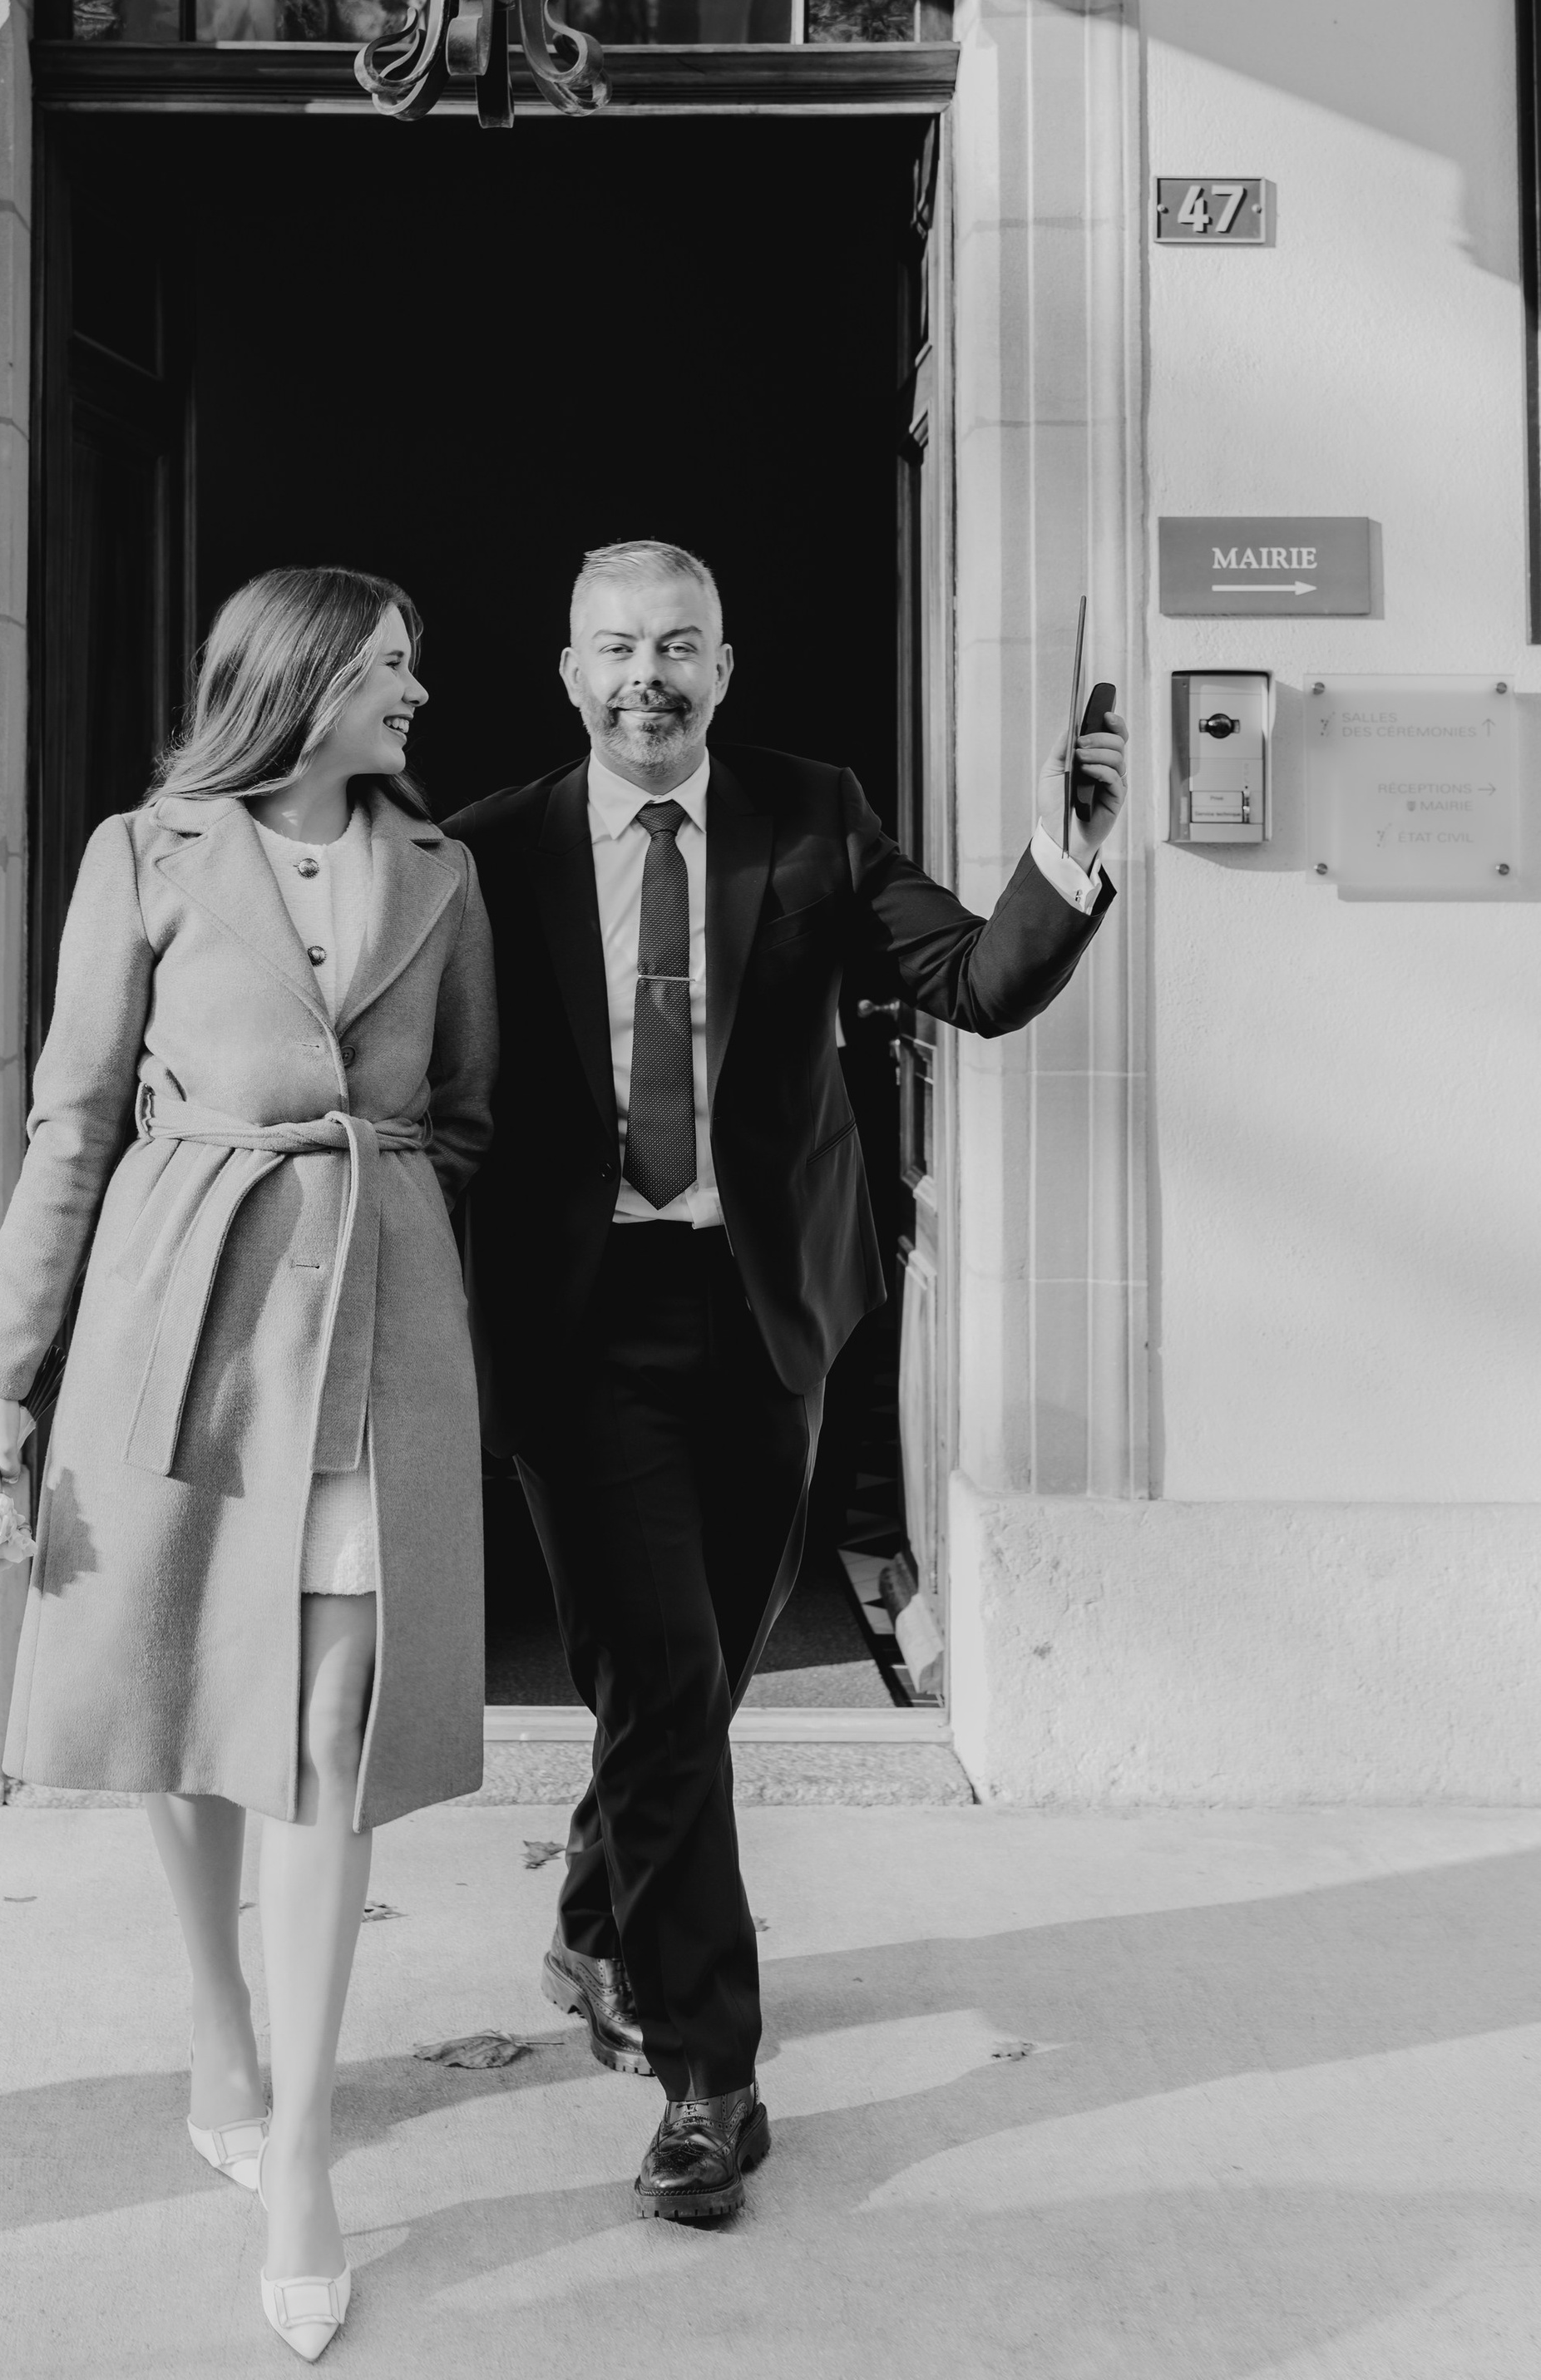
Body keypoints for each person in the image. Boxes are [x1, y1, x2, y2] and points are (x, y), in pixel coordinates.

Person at [448, 538, 1125, 2226]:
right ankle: (708, 2079)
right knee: (665, 1672)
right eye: (614, 649)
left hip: (766, 1311)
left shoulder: (809, 812)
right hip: (580, 1321)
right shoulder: (481, 852)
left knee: (710, 1661)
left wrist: (1069, 855)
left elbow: (972, 982)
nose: (646, 678)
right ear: (566, 669)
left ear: (724, 667)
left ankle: (597, 1908)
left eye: (678, 646)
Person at [0, 566, 495, 2362]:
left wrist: (394, 1249)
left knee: (327, 1727)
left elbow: (463, 1113)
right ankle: (218, 2027)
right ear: (303, 680)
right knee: (173, 1685)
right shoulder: (148, 852)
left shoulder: (443, 871)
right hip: (176, 1302)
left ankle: (307, 2154)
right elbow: (69, 1119)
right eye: (389, 666)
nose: (416, 691)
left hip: (371, 1330)